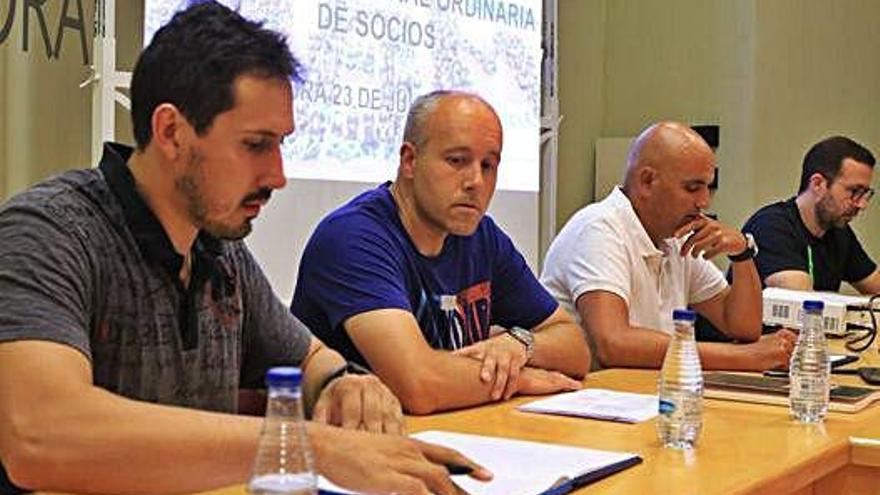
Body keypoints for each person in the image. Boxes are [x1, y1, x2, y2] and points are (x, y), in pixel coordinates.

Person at [0, 4, 490, 495]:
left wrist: (345, 383)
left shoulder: (219, 251)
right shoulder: (48, 232)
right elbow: (40, 433)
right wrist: (312, 446)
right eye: (256, 145)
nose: (277, 175)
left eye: (280, 145)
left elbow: (311, 360)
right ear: (171, 132)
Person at [291, 90, 590, 415]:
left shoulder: (482, 236)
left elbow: (575, 348)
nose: (476, 181)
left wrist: (520, 345)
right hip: (357, 445)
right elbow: (419, 385)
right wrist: (519, 379)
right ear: (409, 161)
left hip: (458, 432)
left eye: (488, 165)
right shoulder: (352, 238)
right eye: (457, 161)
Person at [541, 122, 796, 370]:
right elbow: (613, 344)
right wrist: (743, 358)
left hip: (644, 396)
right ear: (647, 182)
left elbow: (742, 326)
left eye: (708, 187)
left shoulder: (677, 237)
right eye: (693, 188)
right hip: (588, 401)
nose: (704, 202)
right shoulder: (599, 228)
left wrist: (742, 254)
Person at [743, 136, 879, 293]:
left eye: (865, 194)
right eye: (855, 191)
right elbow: (804, 304)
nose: (862, 204)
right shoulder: (770, 227)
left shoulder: (838, 233)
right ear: (818, 184)